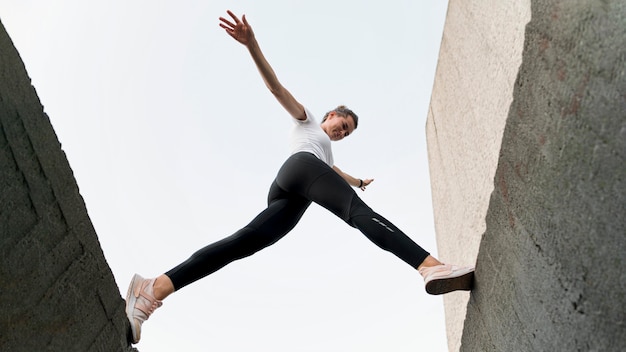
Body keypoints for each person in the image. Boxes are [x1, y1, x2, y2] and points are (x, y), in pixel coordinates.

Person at [125, 10, 474, 344]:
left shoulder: (327, 154)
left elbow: (334, 172)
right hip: (299, 169)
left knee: (240, 243)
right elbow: (277, 88)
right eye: (343, 125)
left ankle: (152, 289)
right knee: (356, 213)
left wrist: (357, 181)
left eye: (347, 133)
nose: (342, 133)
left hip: (291, 192)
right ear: (332, 114)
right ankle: (430, 266)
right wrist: (251, 45)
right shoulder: (307, 121)